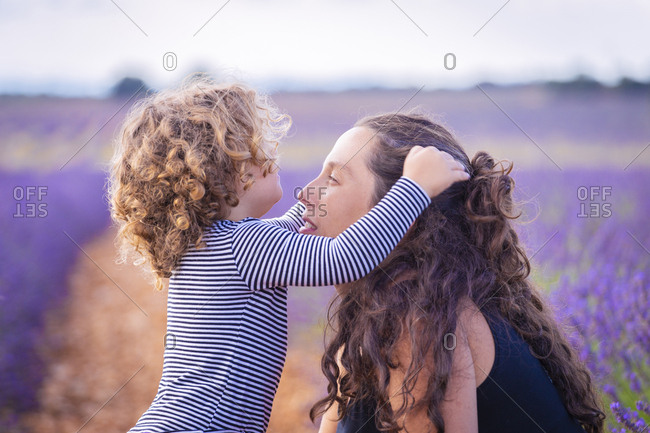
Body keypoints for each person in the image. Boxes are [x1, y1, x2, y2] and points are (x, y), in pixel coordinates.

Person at [107, 75, 470, 433]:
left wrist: (323, 196)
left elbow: (293, 223)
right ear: (221, 170)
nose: (271, 152)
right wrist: (414, 188)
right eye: (255, 145)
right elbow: (345, 257)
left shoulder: (214, 245)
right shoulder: (242, 247)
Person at [306, 112, 606, 433]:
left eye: (333, 179)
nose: (306, 193)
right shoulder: (377, 309)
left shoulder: (417, 319)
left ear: (400, 214)